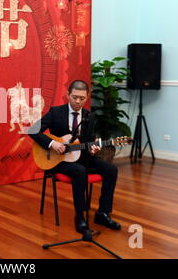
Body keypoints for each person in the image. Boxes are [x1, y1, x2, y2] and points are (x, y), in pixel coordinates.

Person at [29, 80, 121, 234]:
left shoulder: (89, 116)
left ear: (87, 97)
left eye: (82, 98)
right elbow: (33, 130)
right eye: (74, 97)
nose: (78, 101)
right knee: (79, 171)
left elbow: (89, 142)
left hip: (82, 156)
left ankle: (102, 213)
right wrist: (52, 144)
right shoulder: (55, 112)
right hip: (59, 160)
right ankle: (80, 216)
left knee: (111, 169)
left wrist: (94, 149)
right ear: (68, 95)